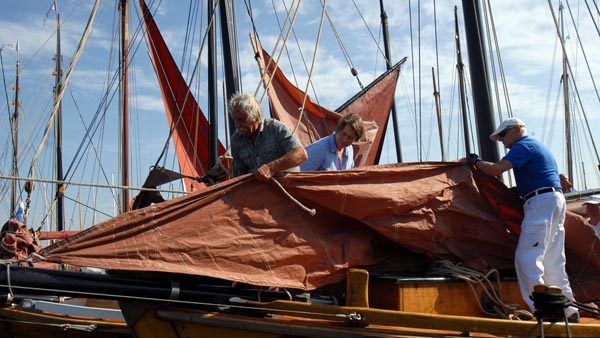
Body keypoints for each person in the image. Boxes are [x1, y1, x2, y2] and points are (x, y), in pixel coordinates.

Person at [470, 117, 579, 321]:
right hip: (554, 200)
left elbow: (495, 169)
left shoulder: (524, 145)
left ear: (518, 129)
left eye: (504, 134)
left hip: (540, 202)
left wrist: (475, 162)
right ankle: (568, 311)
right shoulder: (538, 147)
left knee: (527, 258)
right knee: (553, 260)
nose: (502, 141)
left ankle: (542, 310)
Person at [229, 93, 307, 181]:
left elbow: (301, 154)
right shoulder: (236, 140)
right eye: (235, 120)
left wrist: (271, 168)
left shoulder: (275, 128)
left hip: (287, 187)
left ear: (256, 117)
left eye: (242, 119)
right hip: (259, 191)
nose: (237, 125)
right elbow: (239, 174)